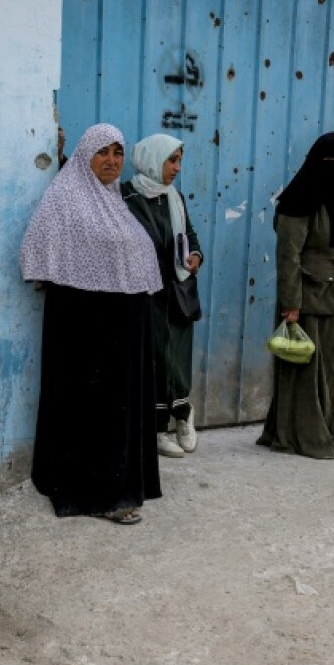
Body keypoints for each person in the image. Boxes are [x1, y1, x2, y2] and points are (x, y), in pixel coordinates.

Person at [19, 124, 162, 525]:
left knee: (118, 407)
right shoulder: (65, 198)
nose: (112, 161)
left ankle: (123, 485)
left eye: (118, 152)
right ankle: (99, 496)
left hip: (125, 325)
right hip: (84, 327)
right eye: (103, 152)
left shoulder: (117, 201)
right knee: (91, 410)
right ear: (85, 156)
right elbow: (36, 246)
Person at [256, 132, 334, 459]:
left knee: (333, 365)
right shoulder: (298, 200)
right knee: (306, 367)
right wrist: (291, 304)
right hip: (307, 297)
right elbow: (288, 254)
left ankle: (326, 431)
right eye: (333, 161)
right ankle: (301, 435)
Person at [121, 134, 204, 458]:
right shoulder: (126, 196)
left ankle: (183, 415)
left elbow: (191, 236)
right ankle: (156, 429)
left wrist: (195, 256)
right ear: (153, 160)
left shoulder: (175, 198)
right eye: (172, 160)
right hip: (144, 295)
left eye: (180, 161)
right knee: (154, 360)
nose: (177, 168)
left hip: (177, 292)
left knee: (177, 358)